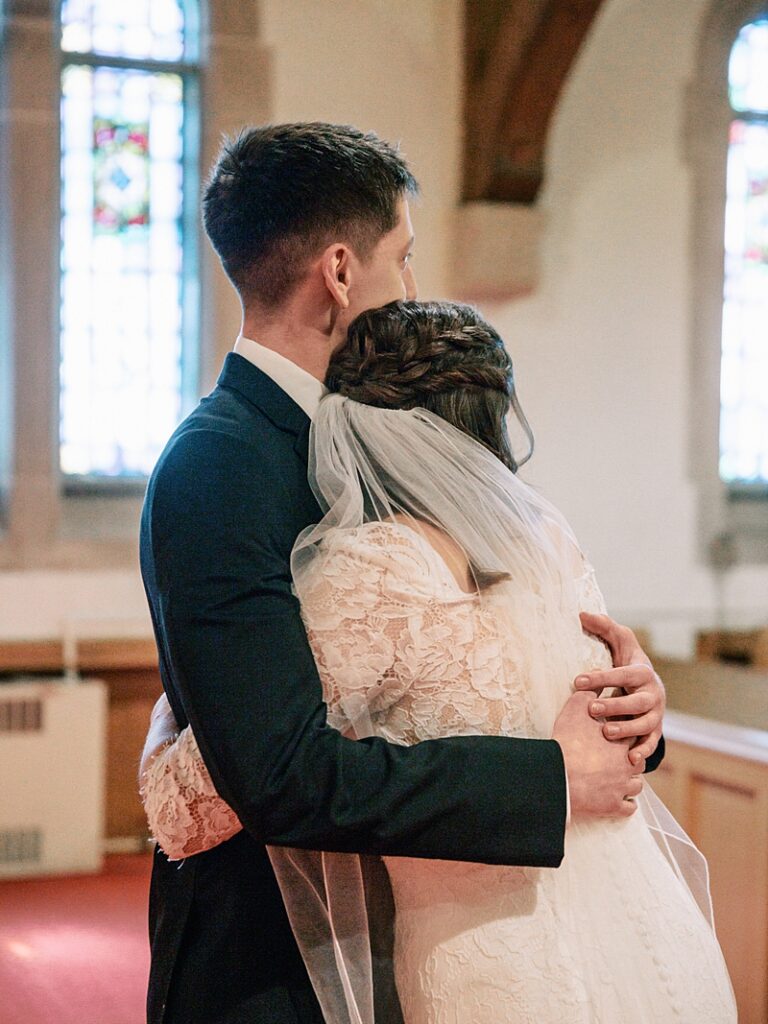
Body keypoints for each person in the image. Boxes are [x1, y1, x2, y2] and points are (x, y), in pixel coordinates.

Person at [139, 123, 667, 1024]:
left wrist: (630, 713)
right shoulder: (219, 465)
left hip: (426, 940)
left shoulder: (398, 433)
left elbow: (488, 648)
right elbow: (280, 776)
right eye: (405, 257)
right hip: (275, 970)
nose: (414, 287)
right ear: (341, 272)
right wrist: (548, 780)